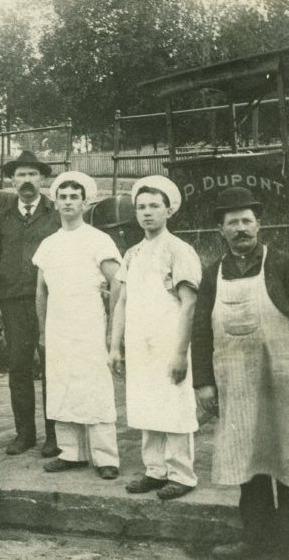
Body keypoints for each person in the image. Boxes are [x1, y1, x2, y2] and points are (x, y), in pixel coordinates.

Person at [191, 187, 289, 560]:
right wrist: (203, 382)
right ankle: (256, 540)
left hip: (284, 380)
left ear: (259, 225)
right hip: (236, 383)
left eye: (246, 221)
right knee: (246, 458)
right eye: (232, 222)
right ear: (221, 229)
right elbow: (200, 330)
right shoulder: (212, 274)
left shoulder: (283, 265)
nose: (240, 229)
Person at [109, 175, 201, 500]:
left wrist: (180, 353)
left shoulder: (180, 250)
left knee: (174, 406)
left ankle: (182, 474)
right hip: (139, 344)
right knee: (147, 404)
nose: (147, 212)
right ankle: (155, 470)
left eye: (154, 206)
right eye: (141, 207)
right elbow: (122, 300)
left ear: (168, 210)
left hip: (169, 342)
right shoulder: (132, 253)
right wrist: (114, 346)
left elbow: (189, 303)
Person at [34, 172, 121, 479]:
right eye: (63, 197)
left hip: (89, 323)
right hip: (58, 325)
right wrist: (43, 331)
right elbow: (41, 291)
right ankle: (71, 452)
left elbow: (117, 282)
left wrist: (112, 327)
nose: (68, 202)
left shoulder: (99, 240)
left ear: (85, 203)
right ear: (55, 203)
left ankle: (105, 457)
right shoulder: (48, 244)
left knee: (94, 384)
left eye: (74, 197)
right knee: (61, 385)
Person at [0, 150, 61, 456]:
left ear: (42, 179)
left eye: (32, 175)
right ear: (12, 180)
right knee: (18, 367)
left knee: (52, 367)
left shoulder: (56, 215)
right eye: (20, 175)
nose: (27, 181)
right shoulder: (2, 218)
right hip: (13, 300)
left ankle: (55, 435)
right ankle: (24, 434)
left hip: (50, 302)